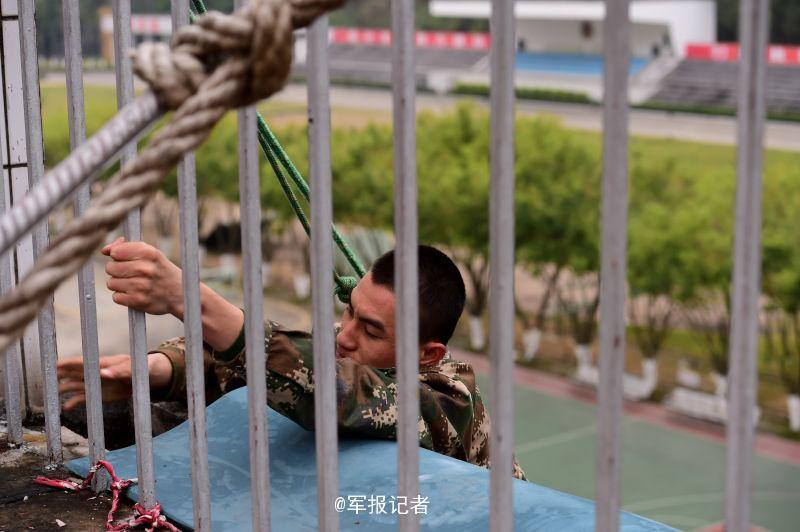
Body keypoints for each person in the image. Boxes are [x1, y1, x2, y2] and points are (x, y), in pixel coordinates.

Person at [57, 238, 527, 481]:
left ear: (429, 353)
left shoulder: (451, 399)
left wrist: (191, 299)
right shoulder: (346, 345)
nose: (345, 336)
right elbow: (267, 363)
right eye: (350, 311)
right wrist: (159, 372)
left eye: (371, 329)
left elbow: (344, 394)